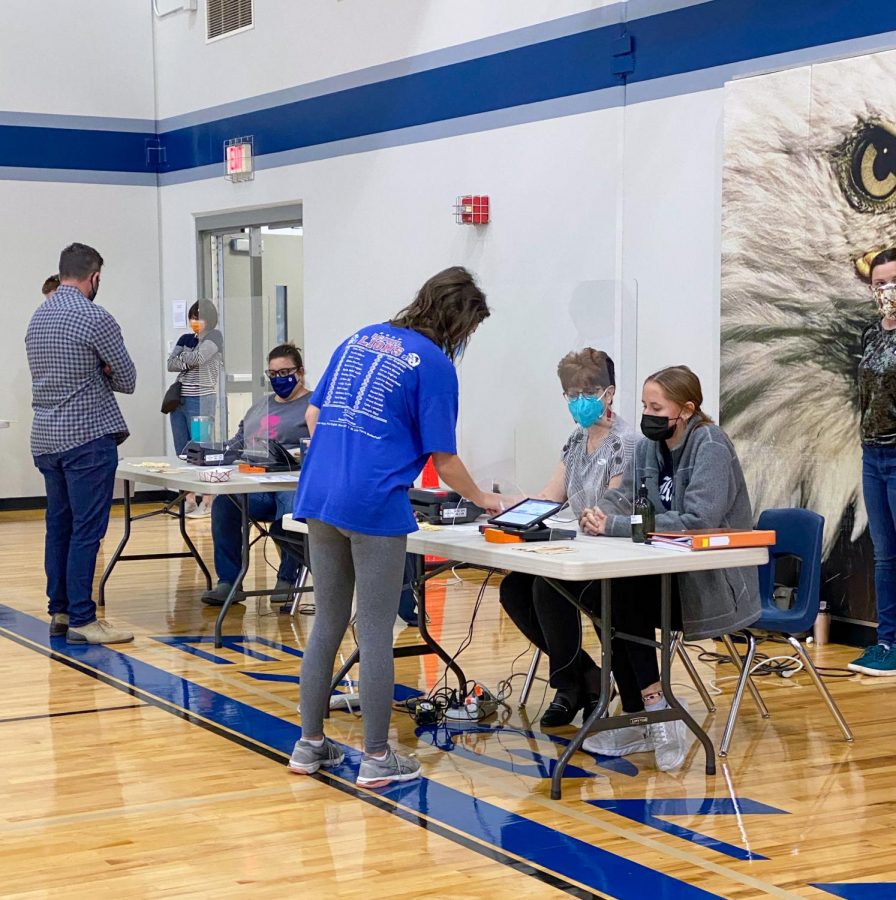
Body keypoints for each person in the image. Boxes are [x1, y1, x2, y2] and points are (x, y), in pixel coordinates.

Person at [288, 266, 502, 787]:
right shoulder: (434, 364)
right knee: (378, 630)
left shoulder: (358, 339)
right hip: (374, 504)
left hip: (320, 494)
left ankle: (309, 744)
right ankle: (377, 757)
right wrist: (485, 499)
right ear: (459, 323)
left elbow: (314, 419)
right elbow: (444, 460)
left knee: (328, 622)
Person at [578, 365, 760, 771]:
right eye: (644, 405)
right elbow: (622, 498)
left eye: (656, 406)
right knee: (600, 594)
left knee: (622, 595)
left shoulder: (710, 445)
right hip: (663, 577)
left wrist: (618, 527)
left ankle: (659, 711)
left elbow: (699, 520)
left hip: (709, 586)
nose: (648, 414)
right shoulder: (647, 448)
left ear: (687, 409)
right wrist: (599, 516)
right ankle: (642, 714)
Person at [499, 349, 635, 727]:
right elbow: (550, 496)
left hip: (615, 557)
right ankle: (584, 676)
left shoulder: (627, 444)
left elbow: (613, 507)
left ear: (609, 393)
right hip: (579, 550)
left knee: (547, 587)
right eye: (571, 394)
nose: (579, 401)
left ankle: (568, 686)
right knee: (513, 589)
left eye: (587, 392)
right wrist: (505, 506)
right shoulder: (576, 442)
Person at [26, 243, 137, 645]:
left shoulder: (38, 318)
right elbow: (127, 379)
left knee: (59, 525)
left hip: (46, 437)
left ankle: (59, 610)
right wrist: (102, 371)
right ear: (94, 278)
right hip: (87, 437)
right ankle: (84, 619)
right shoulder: (95, 317)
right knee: (87, 530)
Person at [200, 342, 310, 606]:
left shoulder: (312, 406)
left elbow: (321, 446)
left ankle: (287, 578)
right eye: (273, 374)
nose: (278, 379)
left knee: (290, 510)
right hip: (254, 483)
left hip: (290, 485)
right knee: (225, 503)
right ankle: (229, 582)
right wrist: (211, 458)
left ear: (300, 372)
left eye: (285, 373)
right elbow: (238, 441)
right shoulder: (260, 406)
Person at [851, 247, 896, 675]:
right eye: (880, 283)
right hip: (873, 453)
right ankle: (886, 642)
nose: (887, 290)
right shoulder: (871, 334)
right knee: (884, 554)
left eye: (893, 281)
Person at [167, 299, 224, 517]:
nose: (194, 322)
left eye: (198, 317)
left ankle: (207, 500)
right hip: (179, 399)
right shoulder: (185, 338)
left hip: (202, 398)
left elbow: (200, 357)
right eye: (192, 317)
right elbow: (171, 364)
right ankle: (188, 498)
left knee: (202, 449)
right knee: (182, 450)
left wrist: (183, 357)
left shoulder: (215, 337)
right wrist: (186, 359)